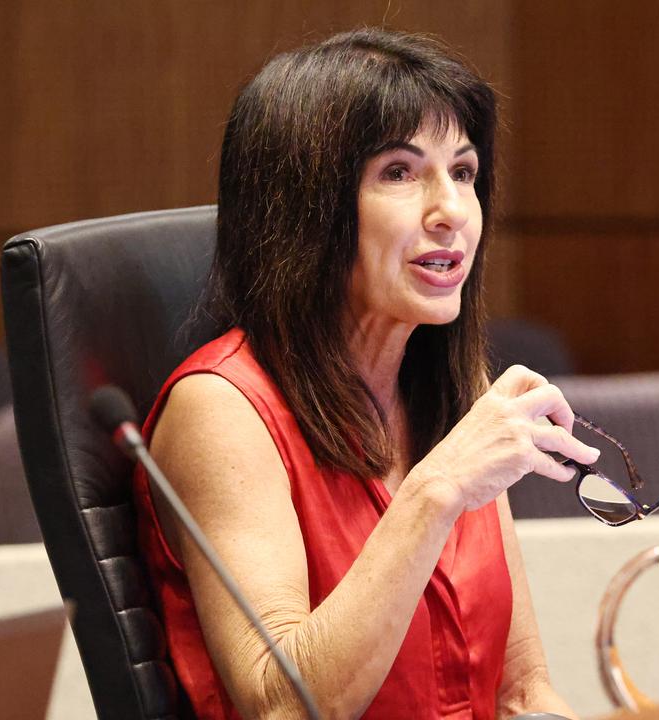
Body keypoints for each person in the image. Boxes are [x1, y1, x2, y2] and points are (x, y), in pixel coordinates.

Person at [132, 28, 597, 719]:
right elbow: (281, 708)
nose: (452, 213)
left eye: (464, 172)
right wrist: (435, 490)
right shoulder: (222, 409)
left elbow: (521, 692)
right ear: (305, 212)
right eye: (400, 173)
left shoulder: (451, 393)